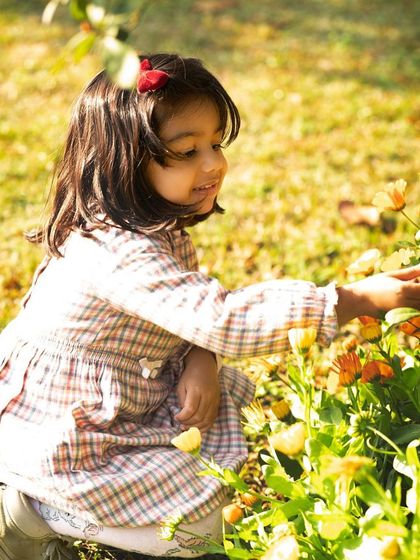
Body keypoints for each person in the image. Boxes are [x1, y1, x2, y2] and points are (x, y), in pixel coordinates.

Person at [0, 53, 419, 560]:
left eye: (215, 143)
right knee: (202, 524)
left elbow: (189, 305)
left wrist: (201, 355)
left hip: (126, 404)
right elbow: (221, 318)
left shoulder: (153, 228)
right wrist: (354, 299)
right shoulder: (113, 251)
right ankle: (32, 510)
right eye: (187, 150)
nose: (214, 163)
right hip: (62, 440)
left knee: (234, 435)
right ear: (123, 161)